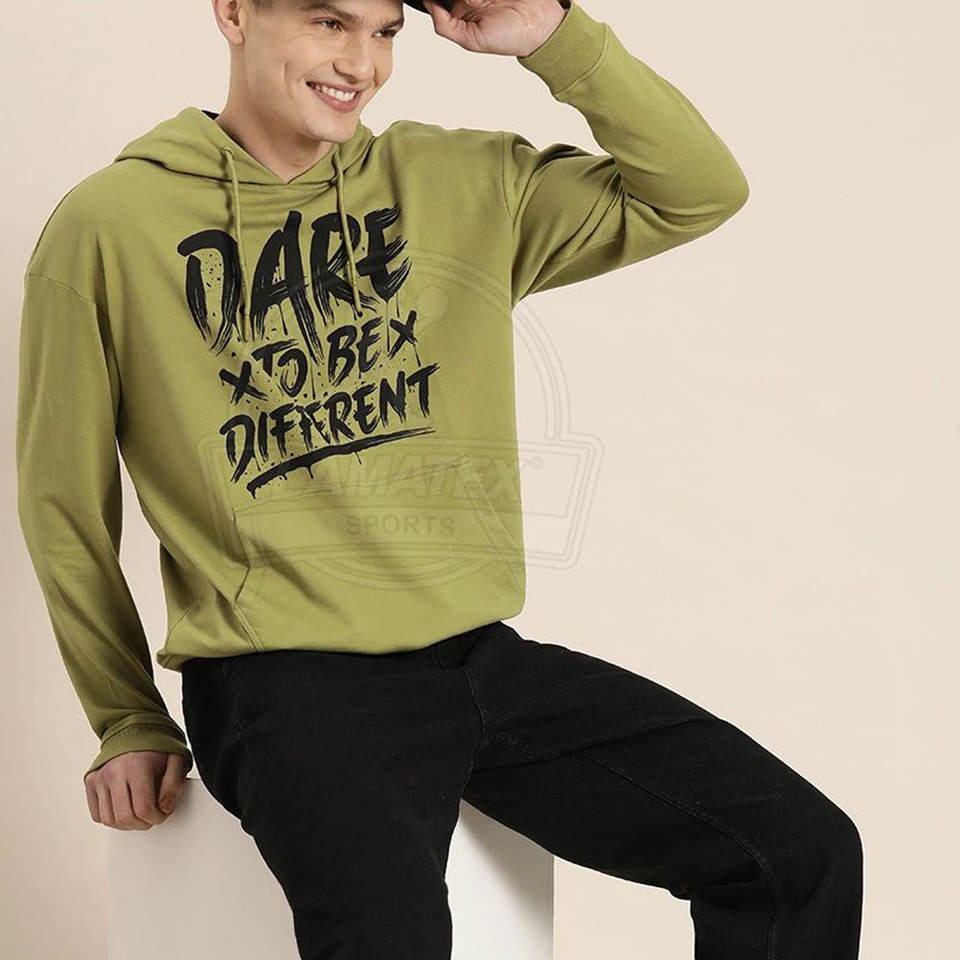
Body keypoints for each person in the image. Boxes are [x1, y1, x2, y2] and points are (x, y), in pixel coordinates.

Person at [15, 0, 862, 957]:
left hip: (477, 661)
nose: (361, 63)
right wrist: (126, 716)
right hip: (288, 685)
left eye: (386, 32)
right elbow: (63, 500)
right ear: (236, 11)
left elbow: (699, 189)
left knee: (796, 852)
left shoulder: (462, 181)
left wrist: (551, 36)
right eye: (329, 22)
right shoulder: (109, 226)